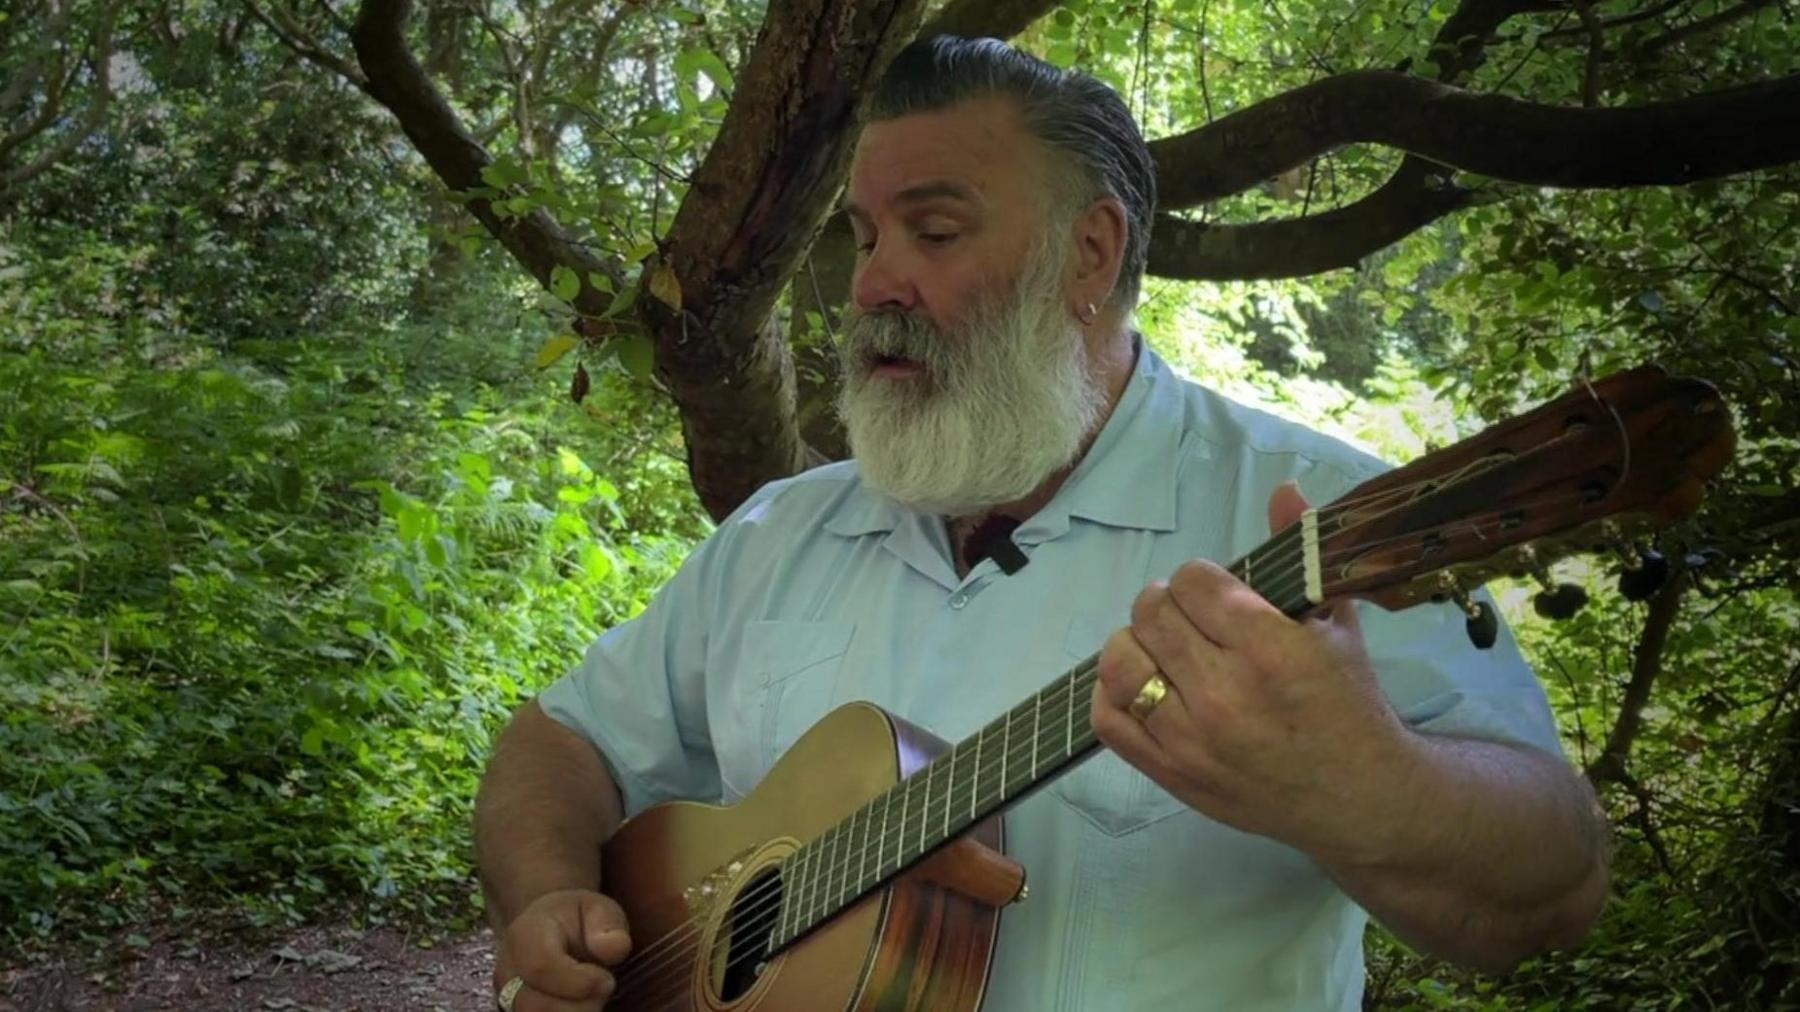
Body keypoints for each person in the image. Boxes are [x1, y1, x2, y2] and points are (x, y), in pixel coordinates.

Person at [473, 35, 1610, 1012]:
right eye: (866, 235)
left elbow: (1555, 891)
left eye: (935, 230)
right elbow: (559, 744)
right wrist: (545, 899)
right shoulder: (782, 535)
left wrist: (1362, 779)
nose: (872, 283)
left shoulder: (1316, 523)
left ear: (1091, 254)